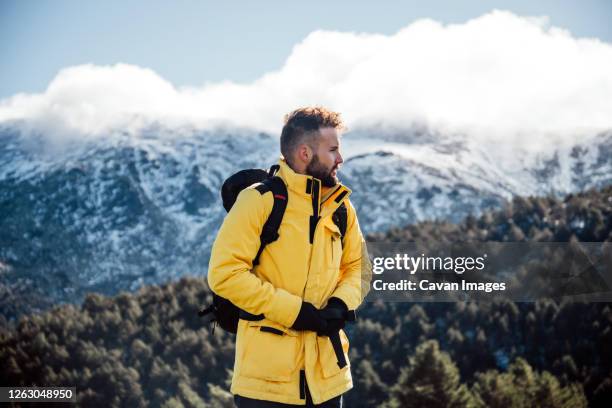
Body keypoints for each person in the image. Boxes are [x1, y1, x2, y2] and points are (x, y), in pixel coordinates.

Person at [207, 106, 372, 407]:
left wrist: (341, 303)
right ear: (305, 153)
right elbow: (225, 274)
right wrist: (295, 313)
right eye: (333, 149)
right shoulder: (258, 201)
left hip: (328, 382)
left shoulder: (341, 208)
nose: (340, 159)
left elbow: (359, 268)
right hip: (267, 386)